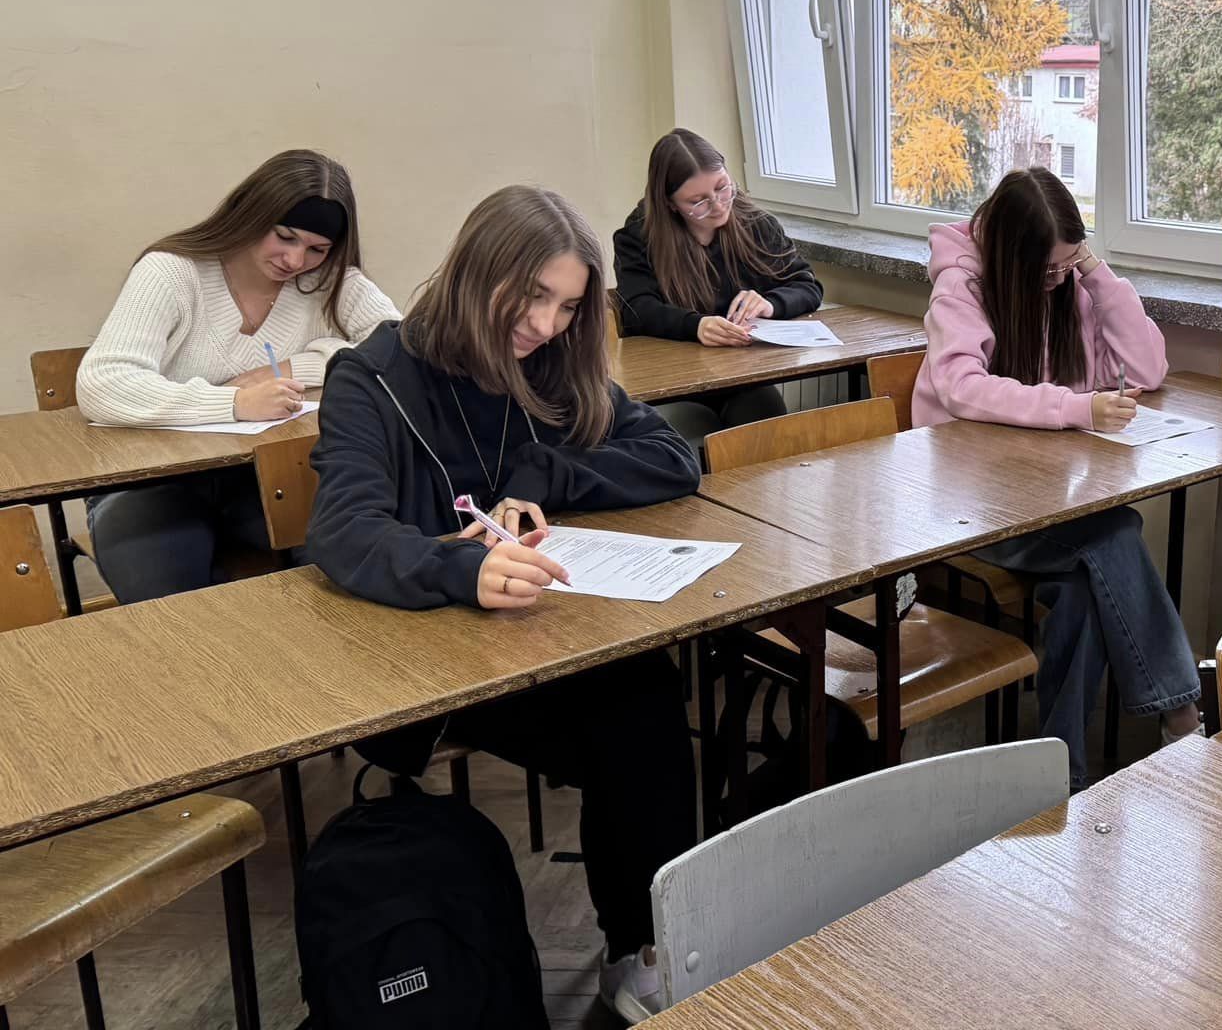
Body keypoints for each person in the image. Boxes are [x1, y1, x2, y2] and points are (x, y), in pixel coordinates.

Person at [305, 184, 699, 1024]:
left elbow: (674, 457)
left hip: (538, 640)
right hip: (429, 662)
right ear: (477, 271)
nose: (548, 325)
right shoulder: (372, 379)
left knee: (645, 693)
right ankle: (637, 941)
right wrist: (460, 569)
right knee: (634, 722)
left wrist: (544, 473)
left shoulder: (547, 367)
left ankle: (646, 949)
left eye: (569, 306)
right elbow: (343, 531)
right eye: (533, 297)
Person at [913, 167, 1200, 788]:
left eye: (1068, 263)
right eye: (1048, 268)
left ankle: (1060, 775)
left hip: (1048, 497)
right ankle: (1180, 711)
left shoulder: (1073, 282)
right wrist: (1075, 408)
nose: (1058, 278)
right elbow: (960, 387)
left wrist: (1092, 271)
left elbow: (1148, 368)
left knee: (1084, 591)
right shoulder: (961, 286)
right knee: (1114, 531)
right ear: (1011, 258)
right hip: (971, 503)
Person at [76, 148, 398, 602]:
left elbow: (398, 348)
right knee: (174, 612)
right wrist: (234, 403)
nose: (295, 260)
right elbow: (102, 382)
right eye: (284, 236)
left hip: (272, 474)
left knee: (346, 575)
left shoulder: (327, 281)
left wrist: (299, 366)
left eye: (317, 249)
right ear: (251, 213)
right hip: (153, 481)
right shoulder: (173, 271)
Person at [613, 127, 822, 447]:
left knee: (764, 409)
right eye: (698, 201)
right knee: (676, 429)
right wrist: (695, 325)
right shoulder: (639, 236)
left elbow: (807, 286)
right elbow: (636, 308)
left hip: (741, 374)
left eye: (723, 188)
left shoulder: (756, 224)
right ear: (670, 204)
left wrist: (770, 304)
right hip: (672, 376)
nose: (718, 205)